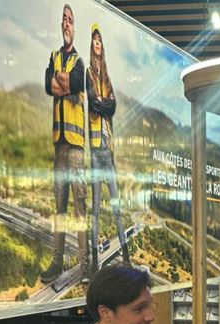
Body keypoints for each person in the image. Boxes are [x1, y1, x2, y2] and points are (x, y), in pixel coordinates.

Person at [42, 4, 88, 285]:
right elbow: (50, 86)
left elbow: (76, 83)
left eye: (70, 19)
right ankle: (56, 263)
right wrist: (63, 84)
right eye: (64, 19)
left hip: (76, 148)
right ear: (61, 26)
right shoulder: (54, 57)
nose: (67, 23)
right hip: (59, 145)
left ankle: (85, 267)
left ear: (74, 26)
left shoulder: (79, 62)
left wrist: (65, 83)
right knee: (59, 206)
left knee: (80, 207)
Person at [86, 23, 130, 267]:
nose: (97, 43)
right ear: (92, 45)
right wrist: (103, 102)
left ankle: (126, 256)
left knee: (116, 207)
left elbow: (111, 107)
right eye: (95, 40)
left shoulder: (107, 78)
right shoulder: (89, 75)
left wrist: (104, 103)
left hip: (108, 150)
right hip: (95, 150)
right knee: (95, 208)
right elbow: (94, 103)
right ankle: (95, 260)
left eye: (100, 40)